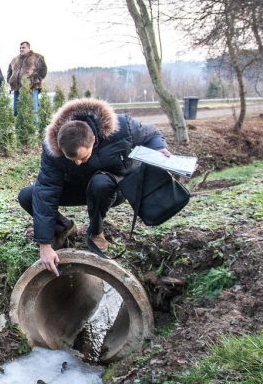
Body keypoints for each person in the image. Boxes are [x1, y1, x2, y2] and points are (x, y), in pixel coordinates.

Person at [18, 98, 171, 275]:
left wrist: (159, 149)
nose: (77, 163)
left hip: (112, 187)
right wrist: (44, 245)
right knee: (28, 195)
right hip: (78, 186)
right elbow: (46, 190)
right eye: (71, 159)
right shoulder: (52, 149)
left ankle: (96, 232)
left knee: (100, 183)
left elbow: (152, 135)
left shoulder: (121, 128)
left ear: (94, 140)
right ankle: (63, 229)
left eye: (83, 157)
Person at [7, 41, 47, 117]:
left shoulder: (37, 57)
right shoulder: (14, 59)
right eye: (20, 48)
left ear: (28, 48)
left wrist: (33, 80)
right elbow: (9, 71)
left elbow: (43, 71)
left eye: (23, 47)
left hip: (31, 88)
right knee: (16, 111)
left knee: (32, 111)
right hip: (17, 89)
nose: (21, 49)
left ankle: (34, 128)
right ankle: (18, 128)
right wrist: (10, 80)